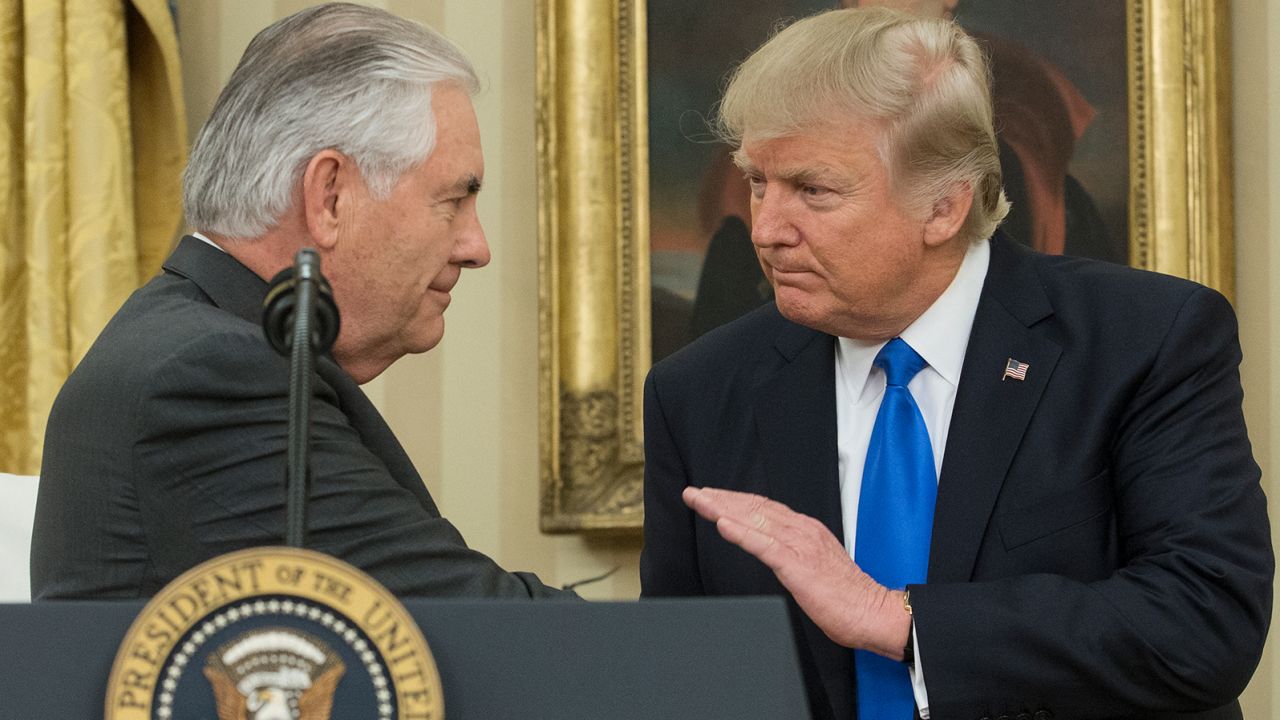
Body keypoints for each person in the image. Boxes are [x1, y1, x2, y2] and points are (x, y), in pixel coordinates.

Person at [640, 8, 1271, 720]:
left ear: (944, 206)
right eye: (758, 182)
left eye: (813, 191)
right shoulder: (696, 392)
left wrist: (902, 623)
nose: (766, 229)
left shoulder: (1145, 341)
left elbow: (1203, 623)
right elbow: (682, 670)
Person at [31, 3, 569, 600]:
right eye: (453, 201)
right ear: (330, 196)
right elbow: (477, 625)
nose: (477, 247)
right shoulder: (210, 378)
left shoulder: (195, 337)